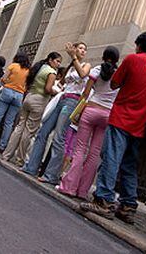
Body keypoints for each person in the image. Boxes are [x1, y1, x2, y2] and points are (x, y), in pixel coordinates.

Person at [80, 32, 146, 224]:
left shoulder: (132, 59)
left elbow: (114, 83)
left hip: (121, 117)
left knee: (111, 157)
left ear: (139, 46)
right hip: (142, 124)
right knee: (129, 164)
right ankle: (128, 205)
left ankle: (103, 200)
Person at [22, 42, 92, 185]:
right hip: (62, 99)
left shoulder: (86, 65)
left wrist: (74, 57)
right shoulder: (69, 68)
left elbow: (83, 75)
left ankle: (51, 175)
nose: (83, 51)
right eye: (80, 48)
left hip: (72, 101)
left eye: (85, 49)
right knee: (43, 131)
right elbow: (60, 84)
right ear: (74, 49)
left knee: (59, 137)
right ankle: (31, 167)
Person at [58, 46, 120, 200]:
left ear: (104, 56)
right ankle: (82, 191)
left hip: (91, 110)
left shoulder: (97, 70)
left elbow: (86, 94)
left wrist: (78, 112)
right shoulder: (119, 74)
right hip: (107, 115)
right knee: (94, 154)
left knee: (80, 149)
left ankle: (69, 187)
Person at [3, 52, 62, 166]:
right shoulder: (51, 72)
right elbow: (48, 89)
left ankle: (7, 154)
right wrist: (55, 92)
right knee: (29, 131)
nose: (58, 64)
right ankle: (20, 159)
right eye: (57, 61)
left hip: (29, 97)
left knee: (19, 127)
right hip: (39, 101)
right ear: (50, 60)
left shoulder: (40, 68)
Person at [0, 52, 31, 152]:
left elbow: (3, 79)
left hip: (7, 91)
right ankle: (2, 146)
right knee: (9, 122)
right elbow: (27, 85)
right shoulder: (28, 71)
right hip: (19, 95)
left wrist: (8, 83)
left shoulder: (13, 66)